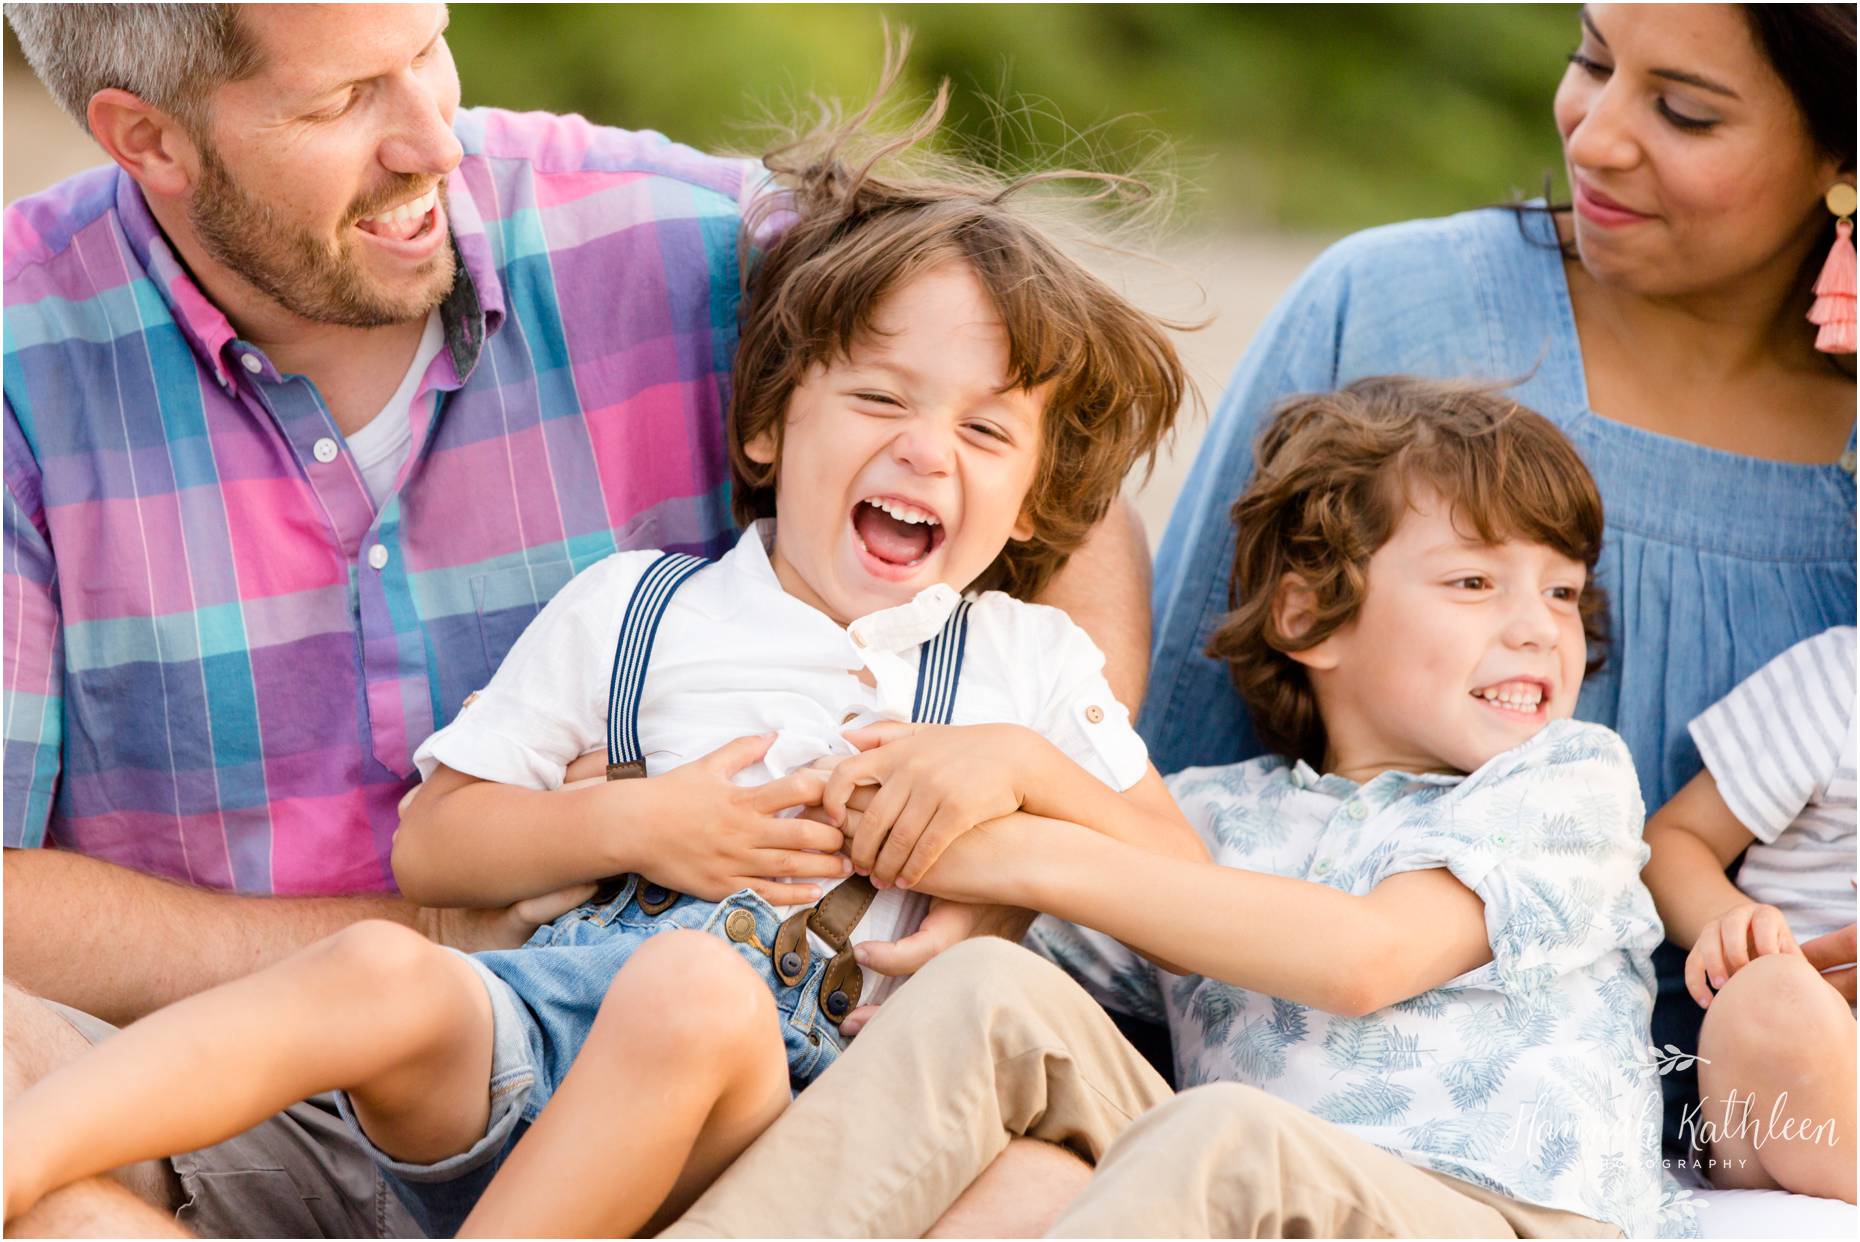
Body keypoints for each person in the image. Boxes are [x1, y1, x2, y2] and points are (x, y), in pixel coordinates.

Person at [0, 6, 1153, 1237]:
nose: (432, 139)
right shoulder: (24, 350)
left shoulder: (688, 239)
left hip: (711, 1109)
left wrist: (998, 839)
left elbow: (1040, 457)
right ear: (149, 139)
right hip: (236, 1081)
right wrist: (505, 888)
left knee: (1037, 1188)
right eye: (344, 102)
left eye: (428, 48)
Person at [662, 377, 1692, 1238]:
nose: (1537, 630)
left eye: (1563, 592)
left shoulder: (1564, 782)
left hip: (1505, 1217)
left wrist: (1027, 806)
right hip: (1247, 1194)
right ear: (1309, 612)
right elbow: (990, 910)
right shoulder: (1208, 820)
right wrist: (659, 784)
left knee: (1221, 1135)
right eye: (1475, 583)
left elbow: (1363, 958)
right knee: (987, 992)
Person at [1140, 2, 1856, 1155]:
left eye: (1682, 110)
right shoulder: (1383, 306)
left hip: (1763, 1135)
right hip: (1309, 1131)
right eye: (1592, 59)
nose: (1597, 134)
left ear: (1843, 157)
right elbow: (1169, 766)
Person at [1641, 627, 1856, 1204]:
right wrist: (1741, 926)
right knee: (1775, 998)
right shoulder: (1843, 679)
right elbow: (1672, 839)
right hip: (1801, 1051)